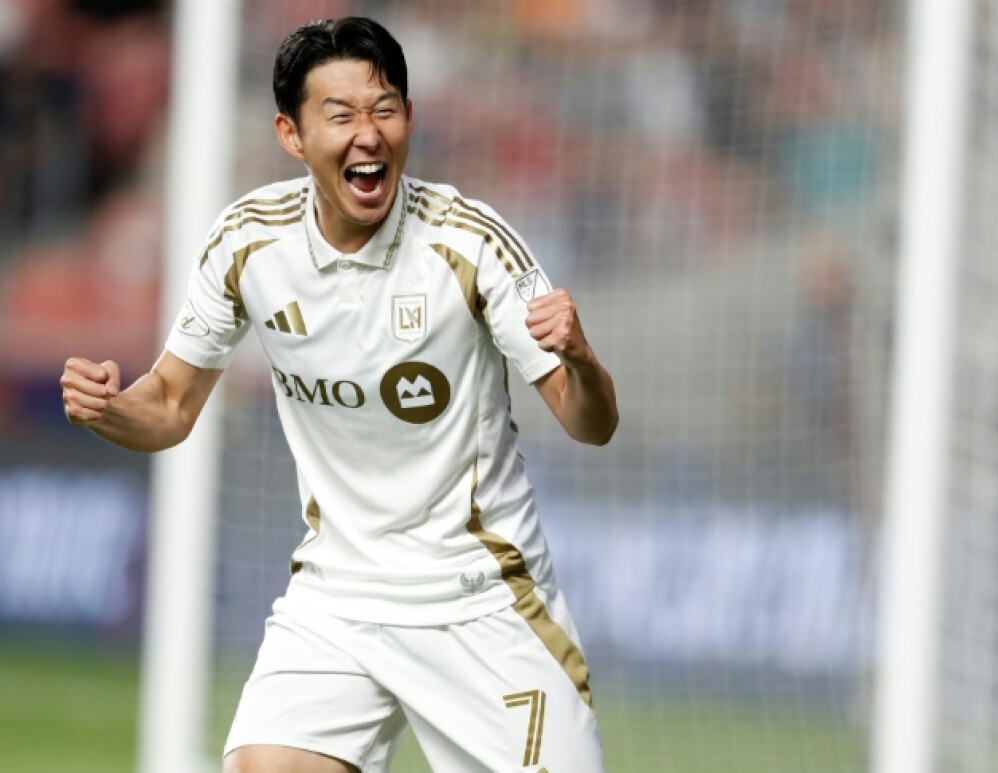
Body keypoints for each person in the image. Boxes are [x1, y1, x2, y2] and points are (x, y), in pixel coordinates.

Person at [61, 16, 618, 773]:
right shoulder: (248, 244)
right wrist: (109, 406)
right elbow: (168, 405)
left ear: (410, 119)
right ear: (292, 135)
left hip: (479, 603)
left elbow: (589, 423)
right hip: (339, 598)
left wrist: (581, 359)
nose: (369, 133)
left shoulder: (470, 242)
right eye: (342, 114)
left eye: (385, 109)